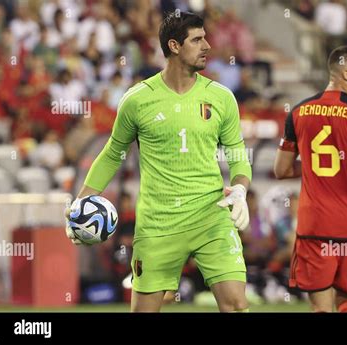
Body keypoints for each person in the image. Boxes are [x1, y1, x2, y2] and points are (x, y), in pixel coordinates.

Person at [65, 12, 252, 312]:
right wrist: (81, 202)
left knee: (236, 305)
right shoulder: (137, 100)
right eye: (197, 40)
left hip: (211, 217)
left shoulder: (222, 97)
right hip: (158, 223)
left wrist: (241, 188)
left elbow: (238, 153)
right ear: (174, 46)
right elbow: (113, 153)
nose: (207, 46)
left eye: (205, 37)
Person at [273, 46, 347, 312]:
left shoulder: (298, 112)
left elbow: (281, 170)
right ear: (346, 74)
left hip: (314, 226)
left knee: (321, 308)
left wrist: (318, 168)